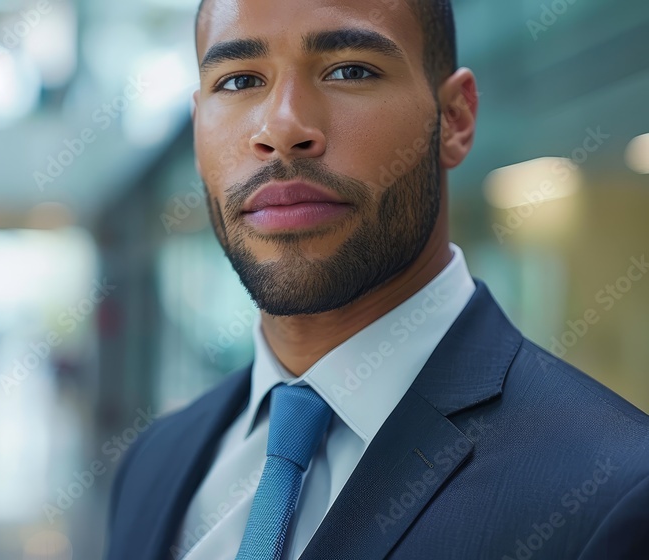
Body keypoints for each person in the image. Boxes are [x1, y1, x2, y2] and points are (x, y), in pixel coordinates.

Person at [104, 1, 649, 559]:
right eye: (240, 80)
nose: (282, 128)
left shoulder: (616, 492)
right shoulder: (153, 465)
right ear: (199, 131)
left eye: (350, 71)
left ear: (455, 119)